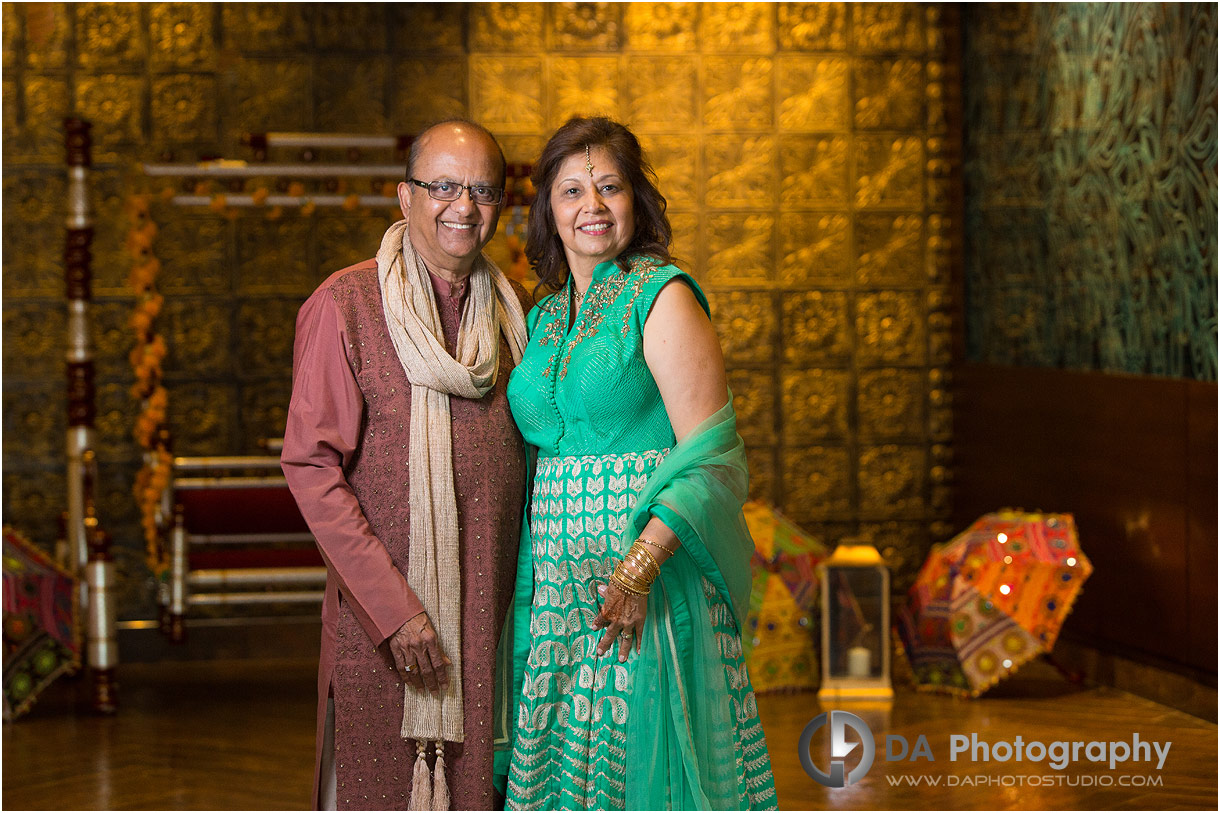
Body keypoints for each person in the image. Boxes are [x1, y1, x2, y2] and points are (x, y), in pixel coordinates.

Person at [495, 117, 777, 809]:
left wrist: (639, 565)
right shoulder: (546, 313)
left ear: (635, 200)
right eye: (570, 190)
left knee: (644, 774)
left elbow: (710, 455)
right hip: (561, 596)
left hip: (642, 586)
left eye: (609, 186)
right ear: (548, 211)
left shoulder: (662, 295)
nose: (591, 204)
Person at [282, 119, 532, 811]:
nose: (464, 206)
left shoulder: (517, 319)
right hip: (388, 631)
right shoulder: (347, 305)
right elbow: (310, 465)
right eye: (444, 185)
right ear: (404, 196)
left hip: (494, 623)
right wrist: (396, 614)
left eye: (483, 189)